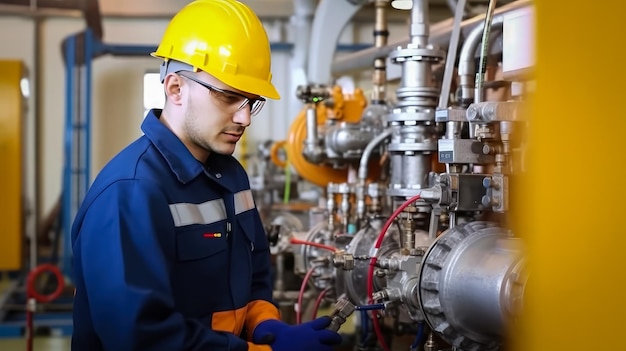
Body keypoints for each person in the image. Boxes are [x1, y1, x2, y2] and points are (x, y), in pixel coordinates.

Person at [70, 1, 343, 350]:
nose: (245, 118)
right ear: (175, 89)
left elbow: (255, 275)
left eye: (252, 101)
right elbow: (140, 337)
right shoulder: (130, 193)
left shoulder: (232, 177)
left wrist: (267, 327)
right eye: (229, 97)